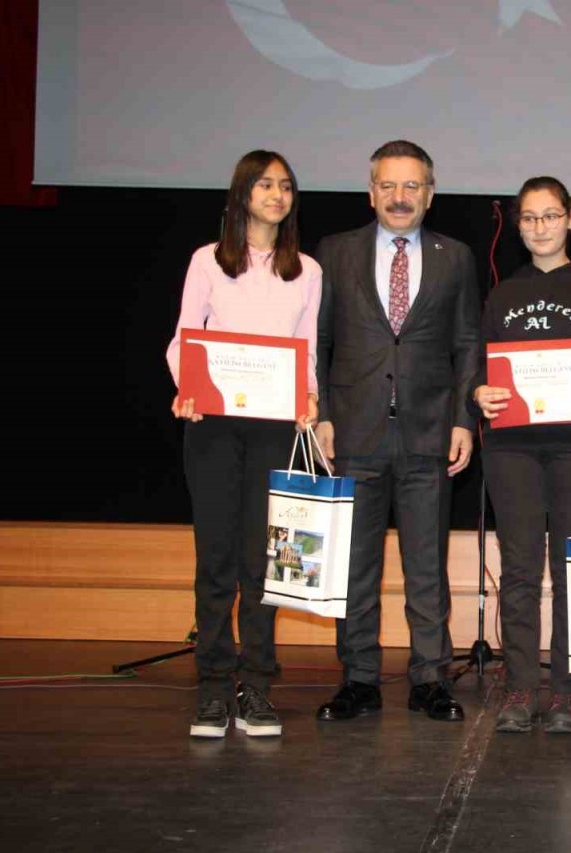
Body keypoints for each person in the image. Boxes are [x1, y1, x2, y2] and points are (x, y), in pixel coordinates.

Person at [312, 140, 481, 722]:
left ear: (430, 194)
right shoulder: (335, 252)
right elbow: (319, 341)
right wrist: (321, 413)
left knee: (427, 566)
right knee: (354, 565)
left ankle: (430, 679)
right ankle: (358, 679)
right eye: (388, 185)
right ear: (371, 192)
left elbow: (467, 343)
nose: (400, 196)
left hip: (428, 434)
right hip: (352, 433)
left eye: (412, 186)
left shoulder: (456, 257)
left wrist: (463, 420)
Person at [166, 150, 321, 738]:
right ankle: (212, 687)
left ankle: (256, 686)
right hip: (213, 423)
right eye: (264, 185)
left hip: (276, 427)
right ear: (242, 194)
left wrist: (310, 397)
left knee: (264, 562)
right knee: (216, 560)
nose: (277, 195)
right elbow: (184, 338)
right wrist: (187, 389)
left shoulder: (308, 270)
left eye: (285, 186)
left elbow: (307, 348)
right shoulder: (206, 261)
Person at [470, 177, 571, 734]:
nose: (539, 227)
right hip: (511, 449)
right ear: (518, 226)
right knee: (518, 572)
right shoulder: (502, 293)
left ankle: (566, 690)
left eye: (550, 216)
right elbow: (479, 364)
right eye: (529, 218)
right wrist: (477, 392)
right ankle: (519, 686)